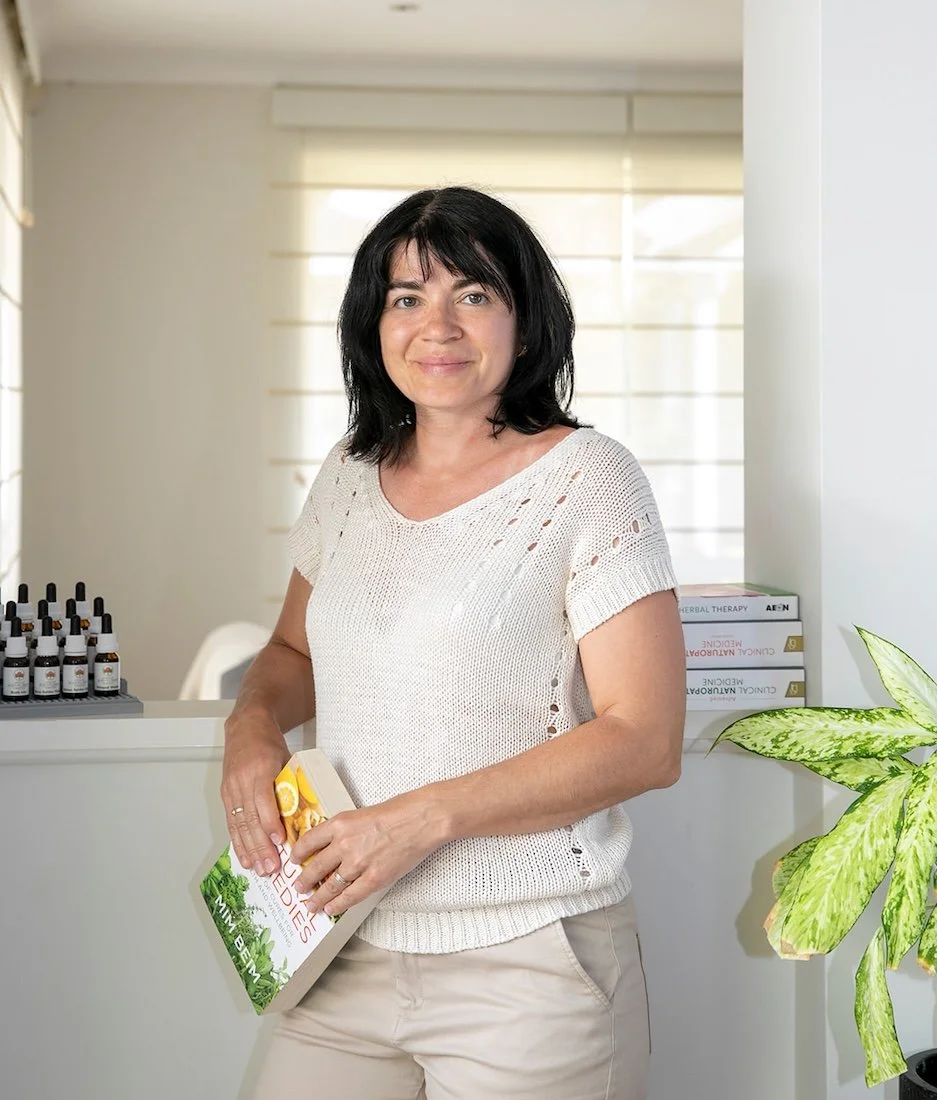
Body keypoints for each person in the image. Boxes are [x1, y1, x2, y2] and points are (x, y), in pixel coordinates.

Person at [222, 186, 686, 1100]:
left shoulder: (589, 480)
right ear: (374, 324)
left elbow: (646, 739)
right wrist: (250, 729)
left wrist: (422, 819)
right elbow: (290, 654)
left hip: (529, 965)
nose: (437, 324)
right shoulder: (348, 478)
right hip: (339, 946)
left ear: (524, 320)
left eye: (471, 293)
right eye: (405, 297)